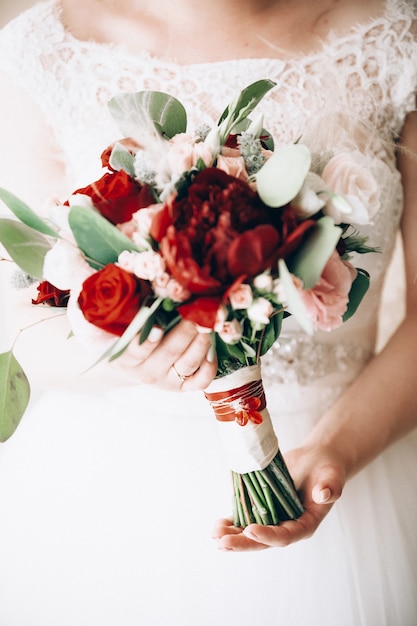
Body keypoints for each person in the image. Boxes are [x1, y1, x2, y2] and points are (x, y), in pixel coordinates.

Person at [0, 0, 416, 624]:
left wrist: (333, 451)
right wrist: (133, 356)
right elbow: (20, 321)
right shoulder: (45, 50)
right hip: (109, 491)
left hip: (345, 449)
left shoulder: (395, 39)